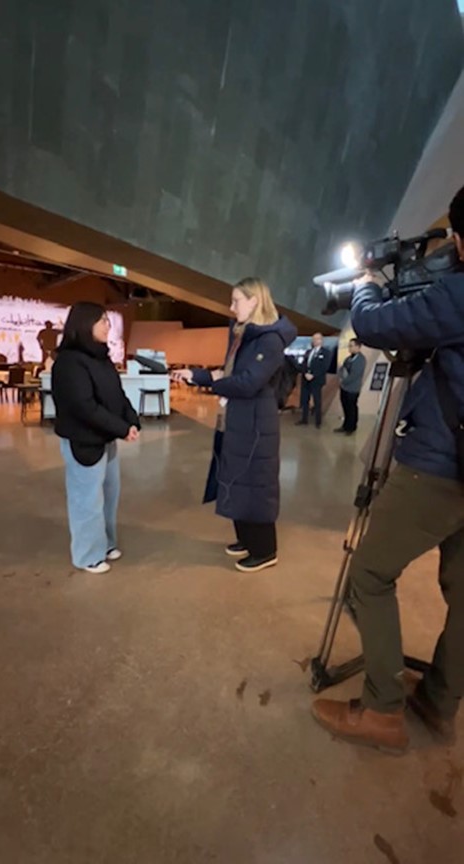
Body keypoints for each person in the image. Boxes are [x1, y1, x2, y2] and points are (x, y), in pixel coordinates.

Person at [312, 185, 464, 753]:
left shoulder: (457, 296)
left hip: (439, 468)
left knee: (369, 577)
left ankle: (382, 710)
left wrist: (370, 290)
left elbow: (376, 326)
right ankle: (441, 700)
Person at [172, 278, 297, 573]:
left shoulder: (269, 340)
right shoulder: (245, 335)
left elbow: (248, 382)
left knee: (256, 486)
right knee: (239, 481)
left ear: (254, 301)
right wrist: (199, 374)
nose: (231, 307)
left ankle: (265, 550)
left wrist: (204, 380)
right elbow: (230, 373)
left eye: (236, 301)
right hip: (239, 420)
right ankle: (247, 539)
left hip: (255, 425)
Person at [52, 302, 140, 574]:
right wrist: (121, 428)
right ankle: (87, 555)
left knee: (109, 495)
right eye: (102, 321)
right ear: (85, 324)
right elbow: (83, 406)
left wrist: (131, 420)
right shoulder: (69, 362)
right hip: (84, 441)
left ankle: (105, 543)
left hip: (105, 438)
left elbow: (117, 395)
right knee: (86, 500)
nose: (108, 325)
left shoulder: (101, 358)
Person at [296, 333, 331, 428]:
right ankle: (304, 419)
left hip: (317, 380)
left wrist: (313, 375)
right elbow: (303, 364)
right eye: (313, 339)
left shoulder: (326, 352)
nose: (315, 341)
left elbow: (324, 366)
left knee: (317, 401)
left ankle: (318, 422)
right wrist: (305, 373)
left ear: (321, 340)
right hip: (306, 379)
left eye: (317, 339)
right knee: (305, 400)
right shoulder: (308, 352)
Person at [334, 338, 366, 435]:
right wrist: (340, 378)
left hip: (353, 389)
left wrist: (343, 381)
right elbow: (342, 369)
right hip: (344, 388)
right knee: (346, 407)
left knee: (351, 408)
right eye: (349, 345)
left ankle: (351, 427)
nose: (349, 348)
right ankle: (345, 426)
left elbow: (354, 375)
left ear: (358, 347)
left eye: (351, 346)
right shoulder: (348, 359)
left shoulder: (361, 360)